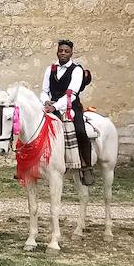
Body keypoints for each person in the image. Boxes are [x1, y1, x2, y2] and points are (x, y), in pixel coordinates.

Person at [41, 39, 94, 186]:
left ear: (71, 53)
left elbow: (72, 94)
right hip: (52, 105)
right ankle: (30, 164)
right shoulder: (50, 69)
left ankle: (86, 166)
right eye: (61, 50)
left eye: (66, 51)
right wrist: (46, 101)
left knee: (80, 131)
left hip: (71, 106)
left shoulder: (76, 70)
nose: (63, 53)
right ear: (57, 51)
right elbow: (44, 91)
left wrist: (56, 107)